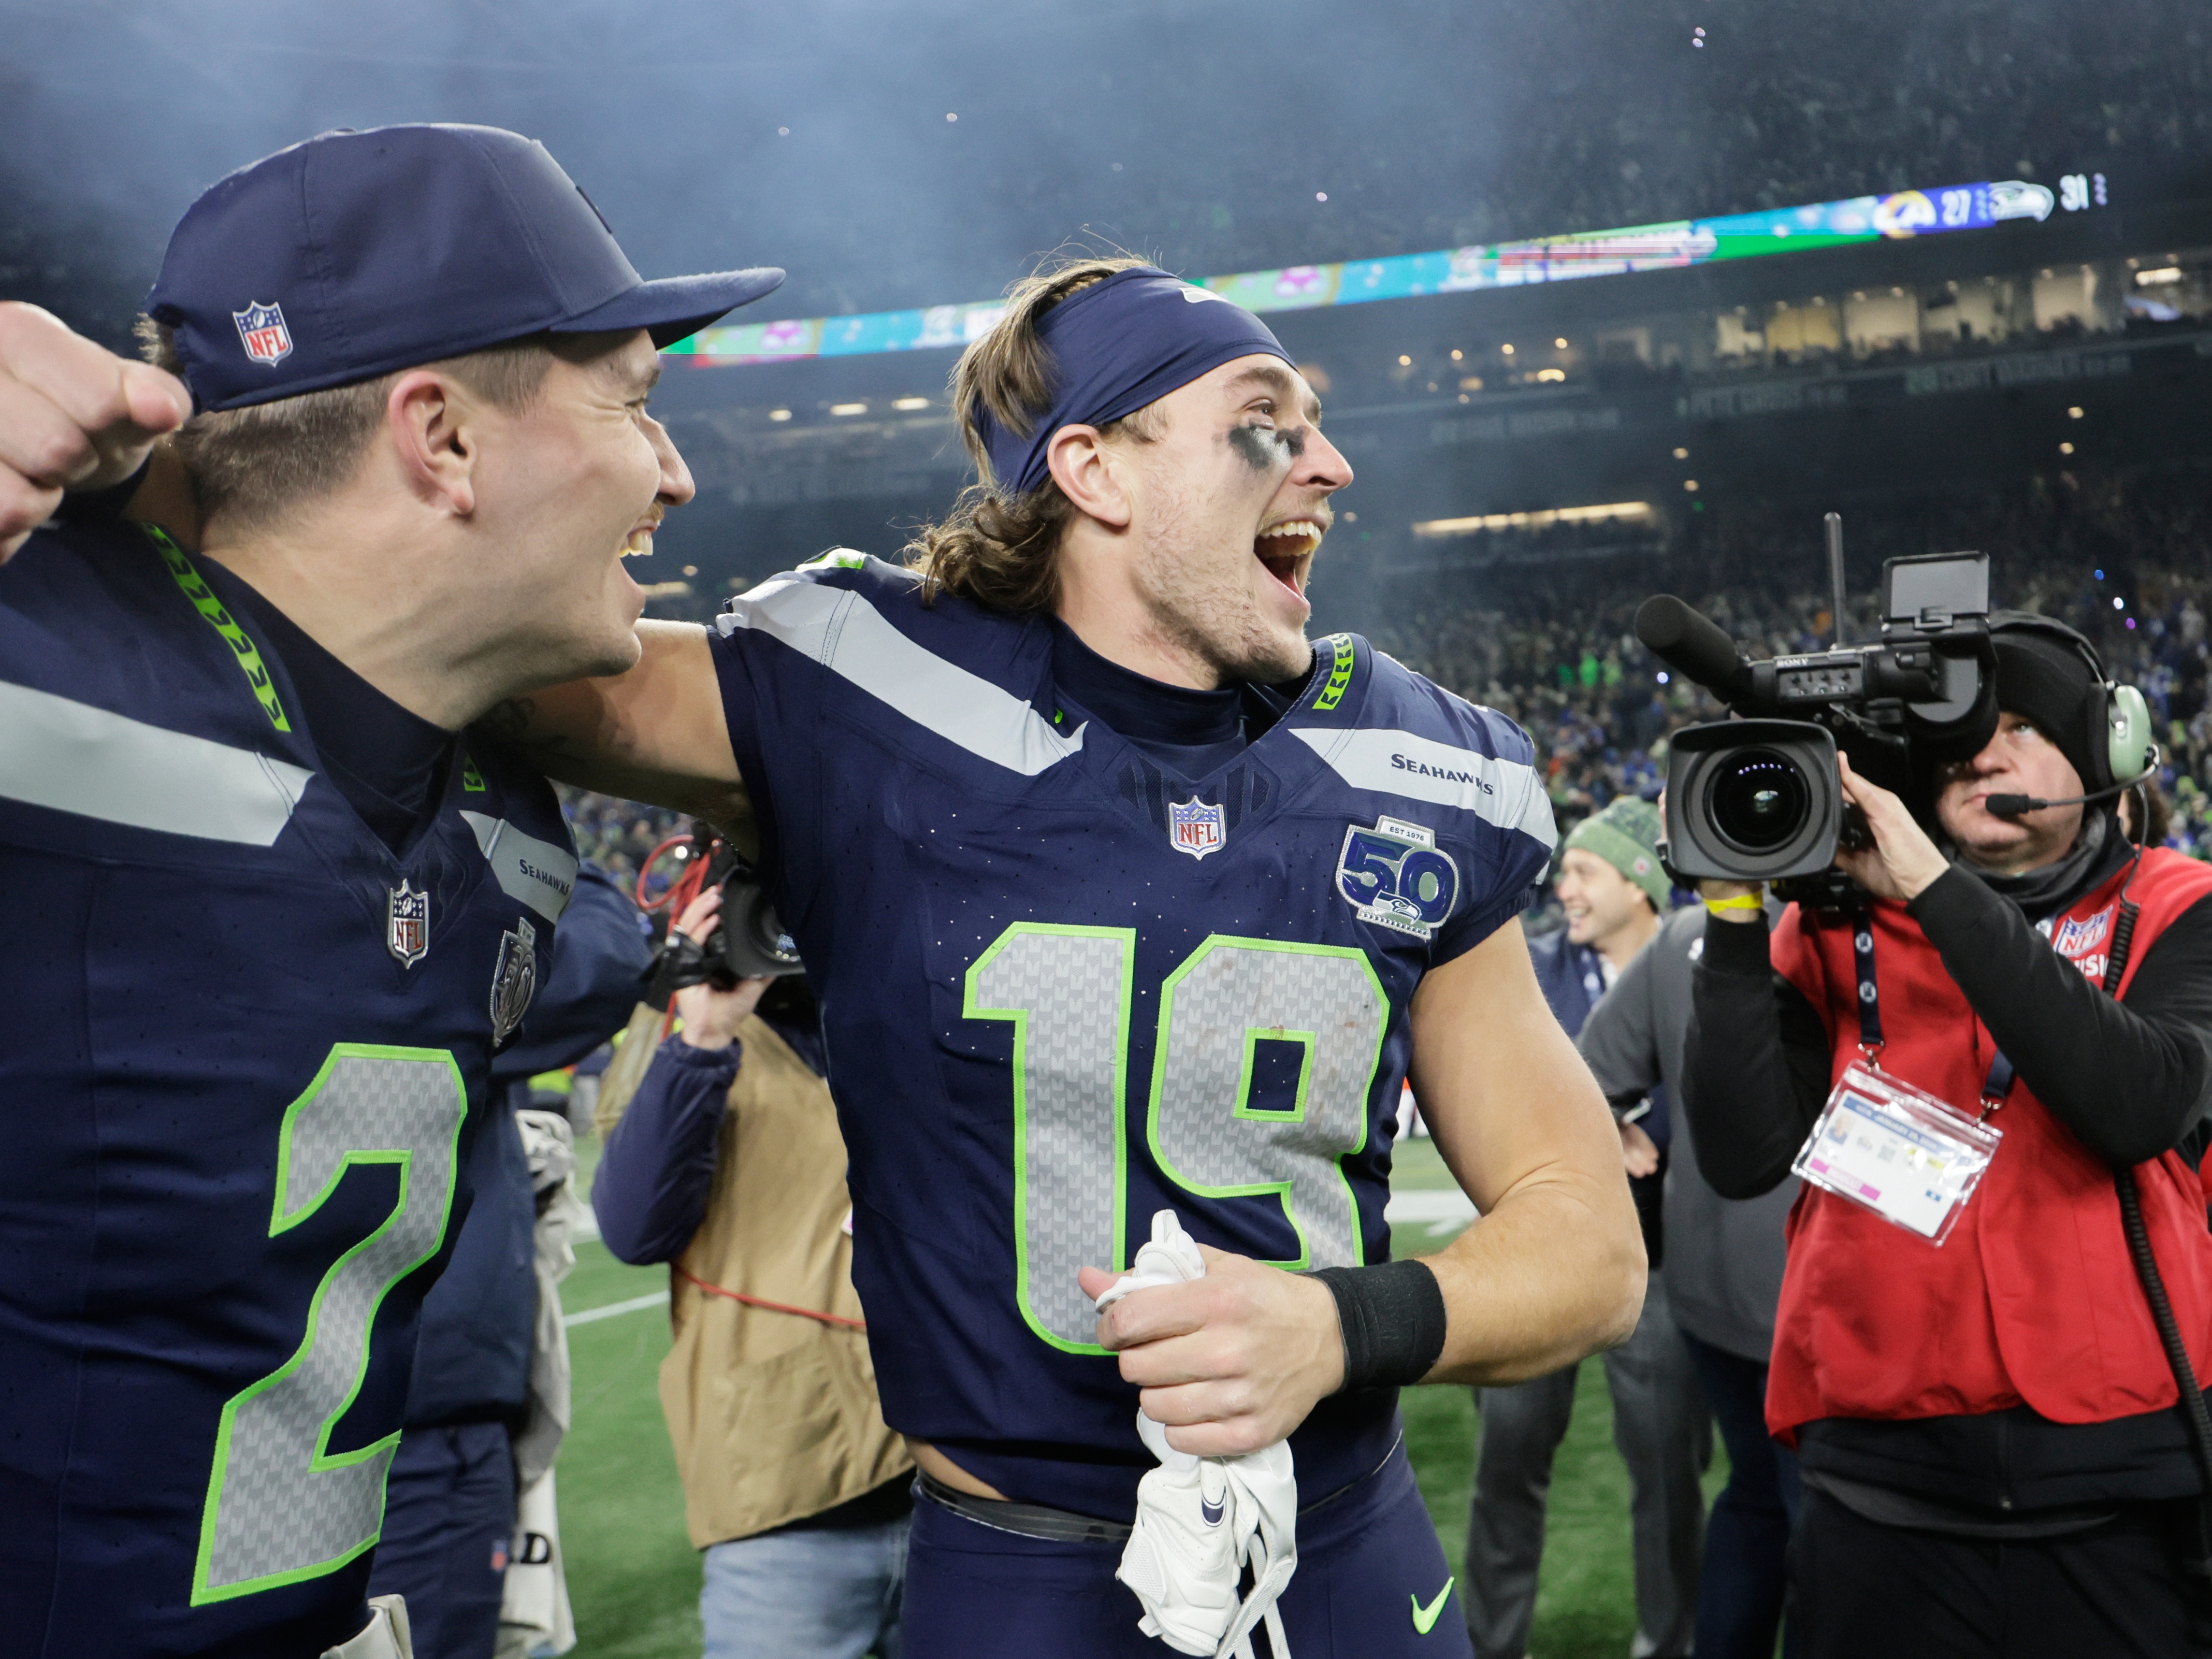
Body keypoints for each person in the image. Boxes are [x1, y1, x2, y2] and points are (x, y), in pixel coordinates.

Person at [6, 256, 1647, 1657]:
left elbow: (1585, 1244)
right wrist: (110, 478)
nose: (1330, 466)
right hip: (1015, 1565)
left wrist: (1336, 1324)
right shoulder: (859, 690)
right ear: (1093, 469)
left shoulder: (1418, 763)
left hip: (1339, 1529)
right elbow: (430, 617)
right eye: (1266, 425)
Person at [0, 124, 779, 1657]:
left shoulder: (504, 823)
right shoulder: (44, 671)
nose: (676, 474)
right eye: (635, 403)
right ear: (444, 437)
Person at [1685, 614, 2212, 1658]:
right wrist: (1737, 917)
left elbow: (2137, 1103)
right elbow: (1743, 1157)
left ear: (2105, 750)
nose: (1983, 751)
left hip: (2117, 1480)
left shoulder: (2179, 905)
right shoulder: (1829, 929)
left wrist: (1931, 886)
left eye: (2022, 724)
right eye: (1961, 735)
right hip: (1880, 1485)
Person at [593, 886, 911, 1659]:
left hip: (957, 1482)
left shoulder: (900, 1006)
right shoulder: (686, 1023)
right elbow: (634, 1227)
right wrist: (702, 1031)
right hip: (785, 1491)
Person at [370, 865, 652, 1659]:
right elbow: (595, 966)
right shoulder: (416, 941)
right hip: (422, 1412)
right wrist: (556, 844)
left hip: (336, 1397)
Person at [1465, 799, 1706, 1659]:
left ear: (1639, 883)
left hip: (1664, 1263)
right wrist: (1604, 1124)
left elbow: (1735, 1098)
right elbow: (1487, 1093)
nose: (1561, 888)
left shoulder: (1701, 964)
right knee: (1505, 1468)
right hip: (1529, 1260)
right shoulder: (1523, 971)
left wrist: (1644, 1120)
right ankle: (1490, 1645)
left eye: (1583, 872)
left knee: (1668, 1478)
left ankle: (1667, 1641)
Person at [1576, 886, 1800, 1659]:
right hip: (1819, 1297)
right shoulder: (1853, 919)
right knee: (1826, 1523)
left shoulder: (1680, 936)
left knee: (1756, 1496)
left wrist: (1624, 1130)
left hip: (1709, 1289)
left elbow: (1583, 1077)